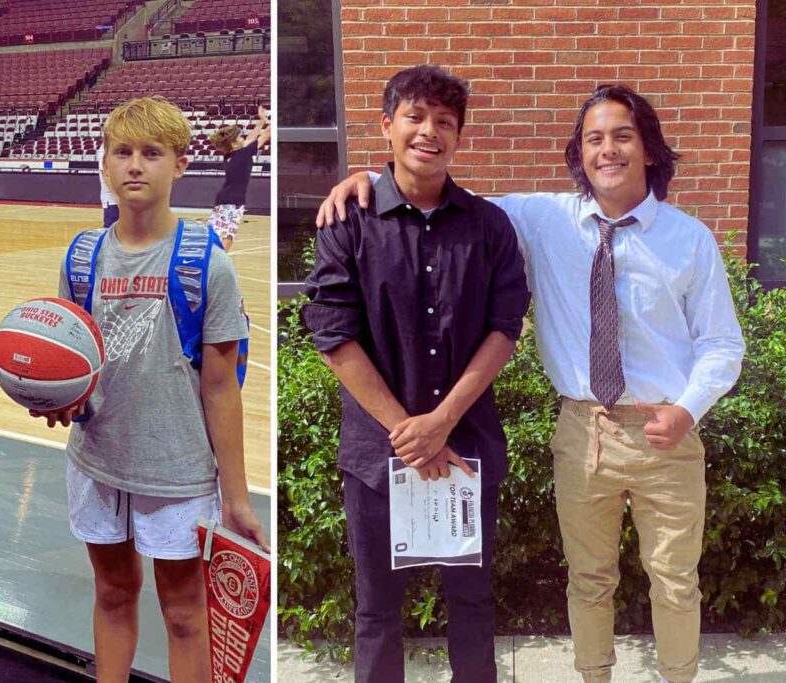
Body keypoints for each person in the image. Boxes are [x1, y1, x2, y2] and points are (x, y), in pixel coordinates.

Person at [318, 83, 746, 683]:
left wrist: (689, 410)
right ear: (579, 153)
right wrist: (365, 176)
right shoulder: (544, 217)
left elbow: (722, 344)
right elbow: (432, 192)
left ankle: (678, 676)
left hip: (665, 433)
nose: (608, 150)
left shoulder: (690, 239)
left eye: (622, 136)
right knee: (588, 580)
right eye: (593, 138)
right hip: (584, 431)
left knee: (675, 581)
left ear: (648, 148)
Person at [304, 65, 530, 683]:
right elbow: (332, 331)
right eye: (415, 117)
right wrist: (408, 430)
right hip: (379, 458)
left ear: (459, 137)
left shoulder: (489, 226)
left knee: (473, 605)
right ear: (387, 125)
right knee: (377, 612)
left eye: (445, 122)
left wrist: (442, 423)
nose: (430, 132)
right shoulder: (348, 221)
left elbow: (504, 328)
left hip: (467, 449)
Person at [33, 95, 268, 682]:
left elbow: (221, 389)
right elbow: (73, 358)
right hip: (97, 461)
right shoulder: (82, 256)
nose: (136, 165)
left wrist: (236, 498)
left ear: (180, 166)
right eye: (124, 152)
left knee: (185, 612)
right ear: (106, 165)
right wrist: (58, 396)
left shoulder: (207, 263)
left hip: (178, 470)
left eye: (152, 153)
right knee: (113, 594)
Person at [207, 105, 270, 250]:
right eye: (240, 137)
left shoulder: (231, 155)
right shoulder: (242, 155)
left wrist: (261, 120)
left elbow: (250, 139)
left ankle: (208, 260)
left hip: (223, 199)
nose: (243, 138)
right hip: (233, 202)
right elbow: (266, 134)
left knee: (213, 234)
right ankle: (218, 262)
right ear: (234, 144)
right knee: (229, 234)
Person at [96, 131, 118, 228]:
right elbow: (106, 176)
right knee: (110, 231)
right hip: (112, 200)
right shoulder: (104, 151)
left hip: (122, 199)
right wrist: (118, 197)